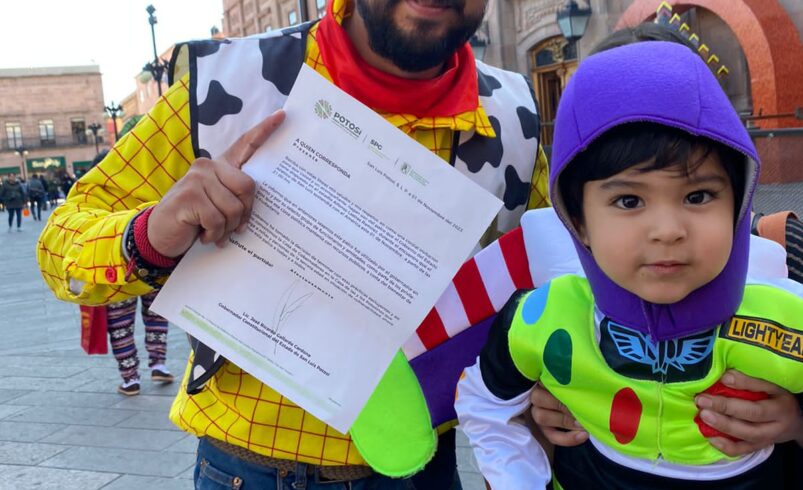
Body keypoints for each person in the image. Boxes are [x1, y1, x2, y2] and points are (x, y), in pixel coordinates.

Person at [36, 0, 550, 487]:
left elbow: (560, 283)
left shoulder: (514, 118)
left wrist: (557, 388)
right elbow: (61, 244)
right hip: (252, 471)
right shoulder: (230, 81)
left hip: (425, 467)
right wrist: (151, 234)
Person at [455, 41, 803, 489]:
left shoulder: (788, 319)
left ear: (738, 204)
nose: (667, 230)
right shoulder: (543, 319)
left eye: (698, 196)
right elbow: (482, 402)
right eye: (629, 201)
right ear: (577, 220)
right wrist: (521, 477)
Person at [106, 292, 174, 396]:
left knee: (120, 324)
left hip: (119, 284)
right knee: (156, 312)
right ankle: (158, 365)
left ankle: (131, 379)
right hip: (153, 281)